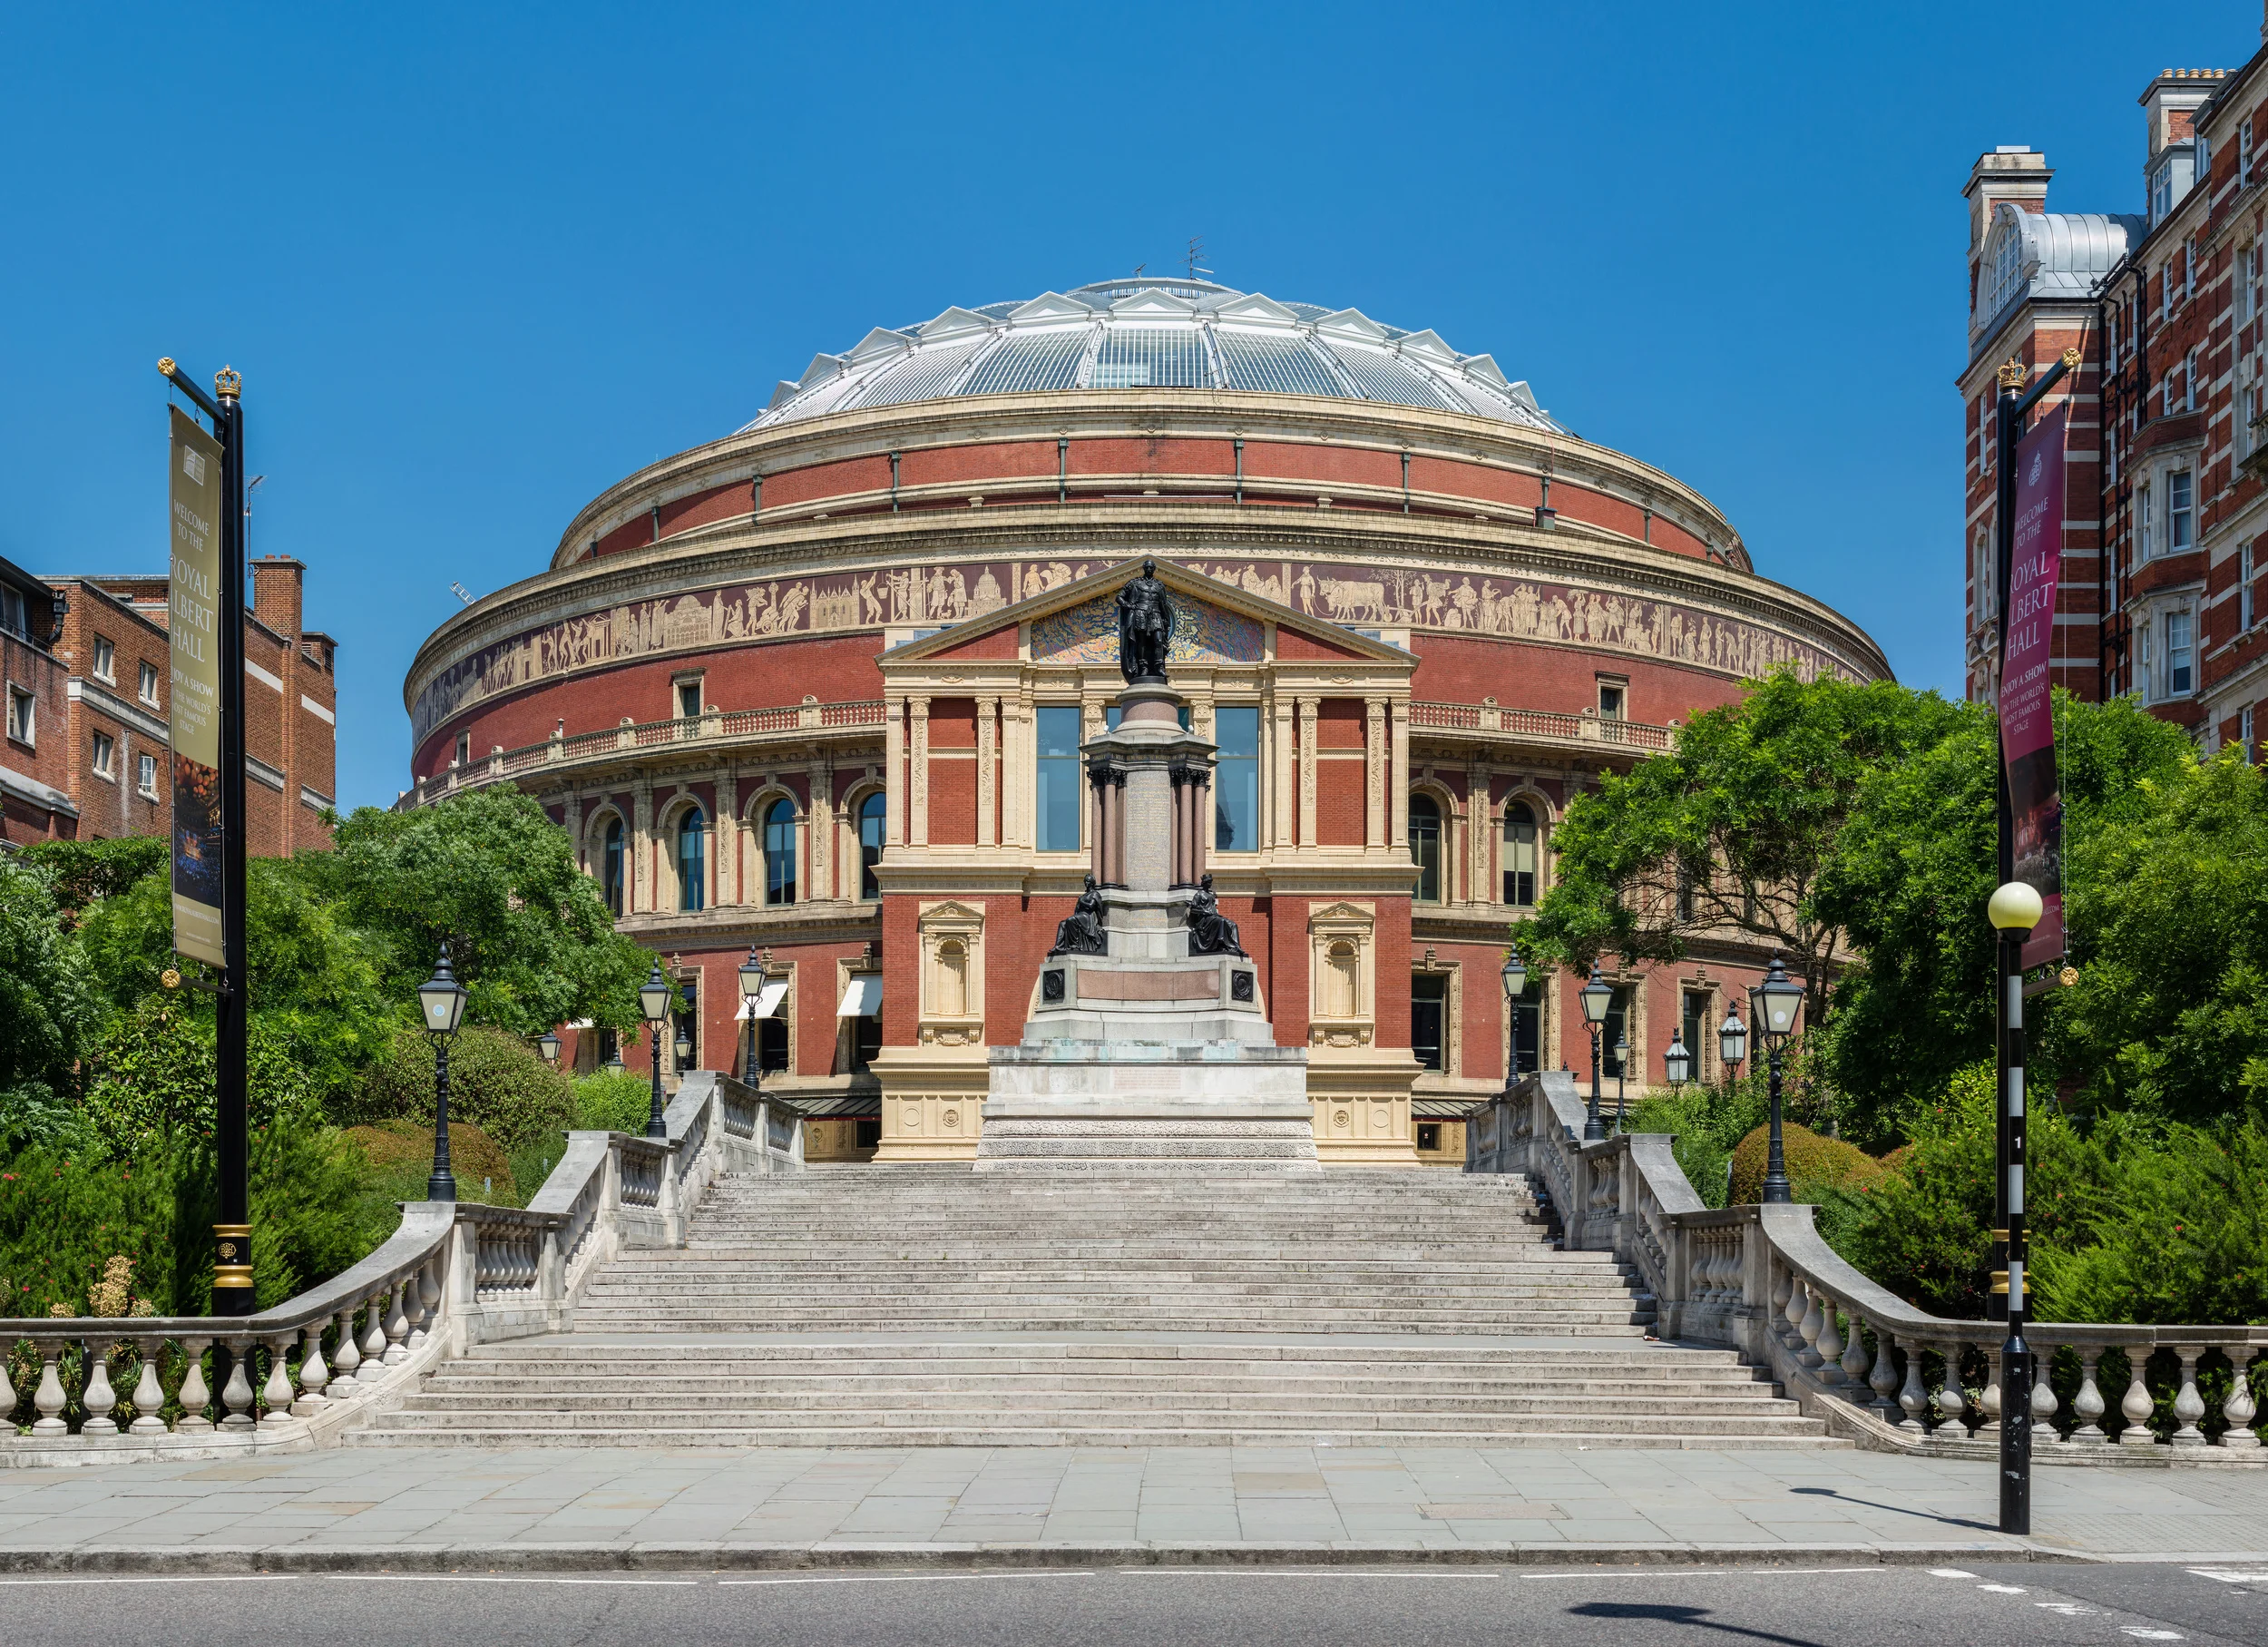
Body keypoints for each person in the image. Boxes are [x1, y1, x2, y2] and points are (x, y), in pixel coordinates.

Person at [1186, 873, 1245, 957]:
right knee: (1222, 921)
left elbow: (1213, 907)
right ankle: (1220, 941)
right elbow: (1194, 909)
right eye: (1209, 882)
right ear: (1204, 883)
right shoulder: (1199, 894)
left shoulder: (1211, 895)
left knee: (1233, 925)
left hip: (1214, 917)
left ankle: (1236, 946)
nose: (1210, 884)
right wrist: (1204, 911)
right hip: (1205, 920)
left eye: (1210, 882)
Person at [1050, 874, 1108, 956]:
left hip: (1088, 916)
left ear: (1092, 883)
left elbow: (1091, 906)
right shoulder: (1084, 895)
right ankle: (1058, 947)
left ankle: (1074, 945)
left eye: (1088, 881)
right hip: (1081, 915)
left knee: (1071, 920)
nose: (1086, 883)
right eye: (1085, 881)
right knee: (1063, 923)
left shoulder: (1094, 894)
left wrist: (1081, 901)